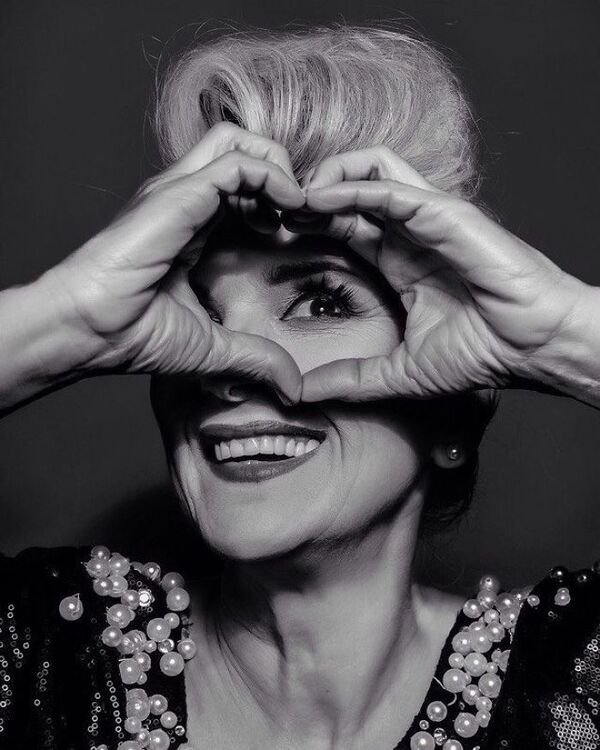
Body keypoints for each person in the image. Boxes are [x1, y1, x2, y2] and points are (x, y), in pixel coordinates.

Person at [1, 23, 599, 750]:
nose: (231, 362)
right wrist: (68, 319)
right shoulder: (43, 655)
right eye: (202, 313)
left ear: (453, 410)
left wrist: (559, 335)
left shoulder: (573, 683)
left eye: (321, 304)